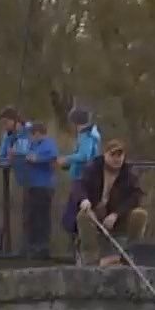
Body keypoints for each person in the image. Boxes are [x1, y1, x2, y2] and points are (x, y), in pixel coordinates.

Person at [74, 139, 150, 267]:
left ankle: (129, 253)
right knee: (83, 216)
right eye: (112, 155)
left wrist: (116, 214)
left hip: (118, 217)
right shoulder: (93, 168)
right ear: (105, 155)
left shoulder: (129, 174)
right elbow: (79, 185)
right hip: (95, 213)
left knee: (140, 214)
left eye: (119, 155)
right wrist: (84, 200)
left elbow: (136, 196)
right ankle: (90, 259)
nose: (116, 159)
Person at [59, 107, 102, 254]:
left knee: (72, 217)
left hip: (81, 179)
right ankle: (77, 247)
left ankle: (77, 248)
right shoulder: (92, 135)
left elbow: (83, 156)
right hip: (83, 176)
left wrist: (67, 159)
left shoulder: (86, 136)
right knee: (75, 216)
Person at [15, 120, 59, 260]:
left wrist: (37, 158)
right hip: (32, 185)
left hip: (43, 186)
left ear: (38, 134)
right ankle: (30, 246)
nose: (30, 138)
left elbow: (52, 156)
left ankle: (42, 247)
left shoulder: (48, 144)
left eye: (32, 135)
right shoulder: (33, 144)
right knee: (31, 217)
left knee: (42, 218)